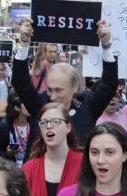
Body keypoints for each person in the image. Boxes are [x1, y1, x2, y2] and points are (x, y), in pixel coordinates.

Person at [12, 19, 117, 159]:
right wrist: (24, 44)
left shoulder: (88, 104)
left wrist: (106, 46)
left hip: (78, 176)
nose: (52, 96)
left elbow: (109, 85)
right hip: (42, 174)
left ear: (74, 87)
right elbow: (20, 81)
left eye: (59, 90)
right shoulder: (40, 103)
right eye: (49, 89)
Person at [22, 103, 84, 196]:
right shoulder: (29, 168)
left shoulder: (85, 163)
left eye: (56, 121)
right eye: (44, 123)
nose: (49, 126)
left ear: (68, 128)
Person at [0, 92, 31, 166]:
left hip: (31, 167)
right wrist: (7, 153)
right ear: (17, 108)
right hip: (12, 170)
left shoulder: (35, 124)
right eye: (26, 103)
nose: (31, 105)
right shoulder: (3, 127)